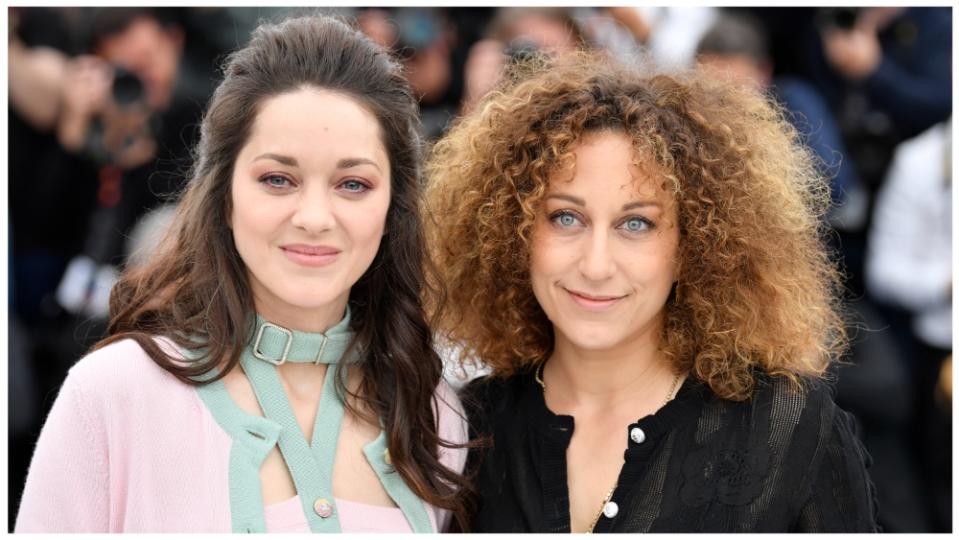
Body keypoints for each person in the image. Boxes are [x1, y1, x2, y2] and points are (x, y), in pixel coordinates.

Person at [15, 14, 468, 533]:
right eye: (278, 179)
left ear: (395, 205)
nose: (314, 218)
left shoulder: (434, 410)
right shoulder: (113, 394)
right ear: (224, 194)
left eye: (353, 184)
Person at [425, 51, 879, 532]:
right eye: (565, 218)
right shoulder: (466, 430)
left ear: (695, 245)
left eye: (636, 224)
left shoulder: (787, 427)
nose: (596, 265)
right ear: (512, 233)